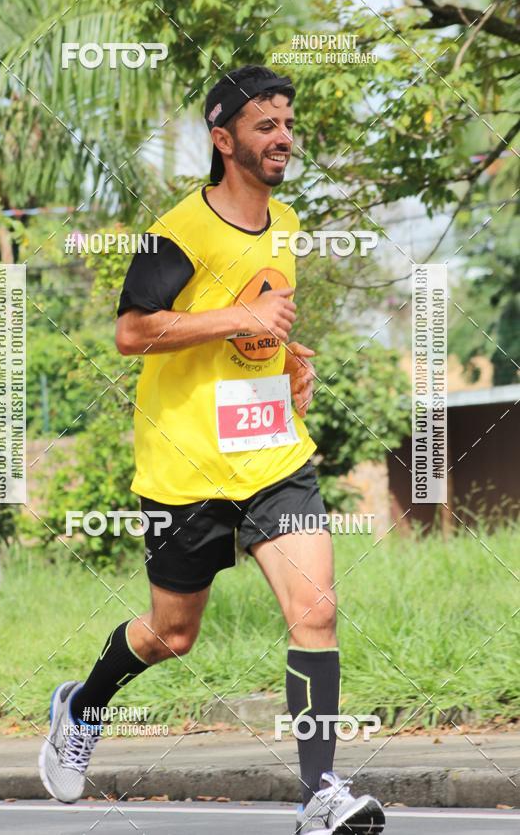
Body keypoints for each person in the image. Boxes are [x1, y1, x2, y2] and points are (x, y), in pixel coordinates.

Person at [39, 65, 385, 834]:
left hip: (272, 455)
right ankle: (83, 705)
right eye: (266, 126)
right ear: (224, 140)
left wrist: (288, 360)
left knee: (316, 611)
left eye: (287, 124)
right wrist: (238, 319)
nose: (284, 138)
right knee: (173, 634)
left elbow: (260, 322)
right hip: (185, 465)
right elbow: (132, 331)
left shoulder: (286, 223)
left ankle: (321, 793)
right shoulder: (177, 232)